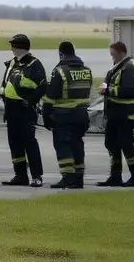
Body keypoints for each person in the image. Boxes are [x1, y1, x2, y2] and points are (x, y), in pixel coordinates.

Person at [41, 40, 92, 189]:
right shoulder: (86, 71)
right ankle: (78, 178)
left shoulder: (60, 71)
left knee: (63, 146)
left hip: (64, 116)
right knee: (77, 145)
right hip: (82, 115)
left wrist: (46, 117)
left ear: (61, 54)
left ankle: (68, 177)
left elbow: (50, 98)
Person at [0, 33, 47, 188]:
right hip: (11, 109)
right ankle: (20, 175)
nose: (11, 48)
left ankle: (36, 176)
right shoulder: (12, 63)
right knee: (14, 143)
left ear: (19, 47)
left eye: (13, 45)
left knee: (29, 143)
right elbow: (6, 82)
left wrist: (30, 101)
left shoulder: (34, 64)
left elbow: (42, 86)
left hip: (25, 109)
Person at [97, 40, 134, 187]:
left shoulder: (129, 67)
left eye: (113, 55)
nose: (112, 58)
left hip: (126, 113)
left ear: (120, 52)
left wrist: (108, 90)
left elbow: (128, 91)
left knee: (127, 144)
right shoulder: (118, 67)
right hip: (115, 113)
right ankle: (115, 176)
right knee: (111, 143)